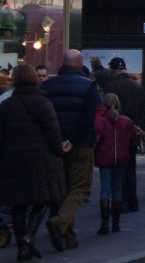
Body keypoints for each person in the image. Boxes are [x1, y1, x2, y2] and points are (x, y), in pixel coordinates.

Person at [0, 64, 66, 261]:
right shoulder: (44, 103)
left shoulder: (6, 105)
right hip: (42, 160)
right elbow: (53, 132)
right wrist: (58, 151)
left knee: (18, 206)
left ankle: (22, 246)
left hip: (14, 160)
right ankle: (29, 235)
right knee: (44, 198)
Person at [41, 49, 101, 252]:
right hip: (81, 145)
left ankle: (69, 237)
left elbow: (45, 119)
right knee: (80, 188)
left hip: (54, 146)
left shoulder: (47, 86)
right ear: (78, 64)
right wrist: (72, 141)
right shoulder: (88, 86)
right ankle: (59, 223)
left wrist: (58, 141)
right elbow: (88, 119)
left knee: (62, 190)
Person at [104, 57, 145, 212]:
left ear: (113, 69)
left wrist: (126, 124)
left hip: (118, 133)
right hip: (134, 132)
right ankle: (133, 201)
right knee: (131, 168)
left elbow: (113, 109)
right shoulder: (136, 86)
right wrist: (138, 125)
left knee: (119, 170)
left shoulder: (111, 86)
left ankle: (121, 201)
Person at [93, 93, 137, 235]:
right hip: (121, 158)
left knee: (105, 188)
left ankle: (104, 224)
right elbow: (132, 139)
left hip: (105, 157)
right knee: (117, 188)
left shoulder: (100, 121)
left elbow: (97, 138)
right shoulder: (126, 121)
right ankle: (116, 224)